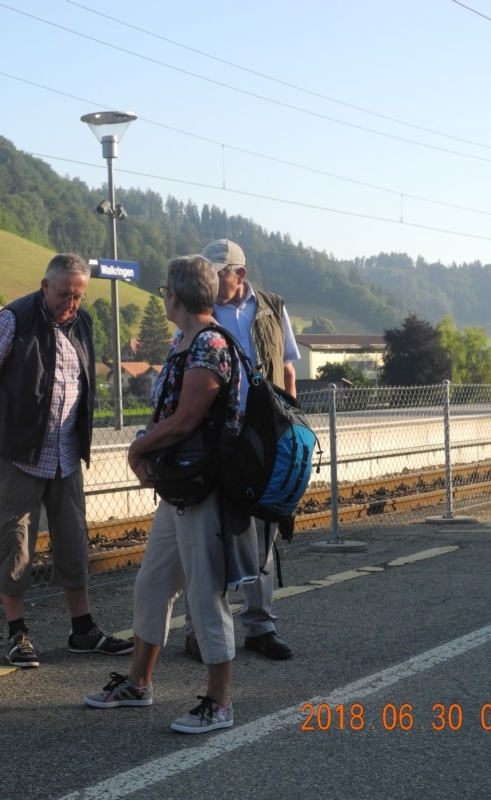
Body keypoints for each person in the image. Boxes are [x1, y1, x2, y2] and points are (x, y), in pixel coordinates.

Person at [83, 254, 248, 734]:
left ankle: (219, 703)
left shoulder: (210, 344)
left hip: (204, 490)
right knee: (153, 582)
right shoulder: (184, 341)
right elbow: (168, 413)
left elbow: (187, 419)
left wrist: (137, 450)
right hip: (180, 488)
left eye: (164, 292)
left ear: (173, 296)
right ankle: (139, 684)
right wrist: (147, 446)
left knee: (204, 594)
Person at [0, 253, 131, 668]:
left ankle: (83, 630)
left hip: (66, 454)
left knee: (74, 544)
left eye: (78, 296)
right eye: (64, 294)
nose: (71, 303)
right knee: (15, 546)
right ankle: (17, 634)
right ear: (45, 286)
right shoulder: (11, 320)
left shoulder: (82, 322)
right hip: (18, 454)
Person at [182, 238, 300, 662]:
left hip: (265, 436)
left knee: (264, 531)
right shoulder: (199, 310)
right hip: (216, 435)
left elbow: (287, 369)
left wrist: (291, 426)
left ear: (240, 274)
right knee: (210, 535)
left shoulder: (272, 307)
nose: (211, 280)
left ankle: (260, 626)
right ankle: (198, 630)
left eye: (218, 273)